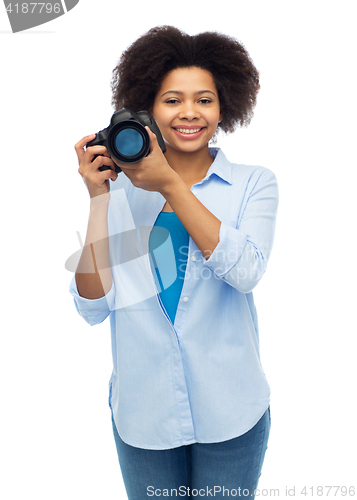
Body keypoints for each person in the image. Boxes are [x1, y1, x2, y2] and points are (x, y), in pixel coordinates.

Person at [70, 25, 279, 499]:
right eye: (172, 100)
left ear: (225, 105)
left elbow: (245, 272)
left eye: (204, 99)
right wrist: (99, 200)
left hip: (232, 410)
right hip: (144, 415)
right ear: (148, 109)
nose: (189, 112)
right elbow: (92, 306)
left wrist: (169, 184)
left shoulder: (253, 184)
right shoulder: (119, 193)